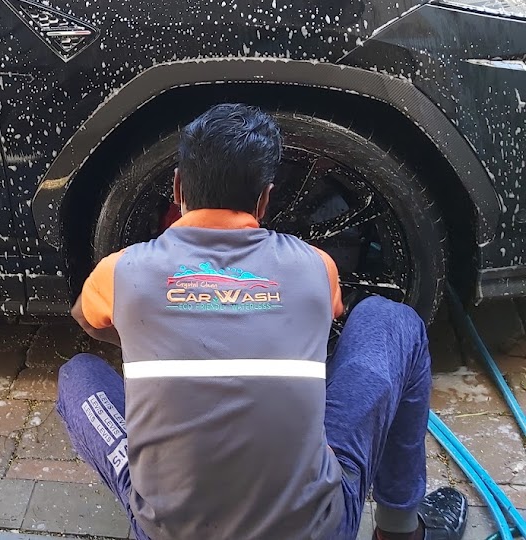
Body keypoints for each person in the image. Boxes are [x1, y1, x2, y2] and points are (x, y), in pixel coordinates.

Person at [57, 104, 467, 540]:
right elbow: (325, 317)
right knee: (390, 318)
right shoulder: (316, 267)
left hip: (167, 532)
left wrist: (158, 338)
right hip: (317, 530)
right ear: (265, 199)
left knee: (77, 375)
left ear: (177, 187)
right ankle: (401, 530)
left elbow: (88, 320)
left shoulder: (121, 270)